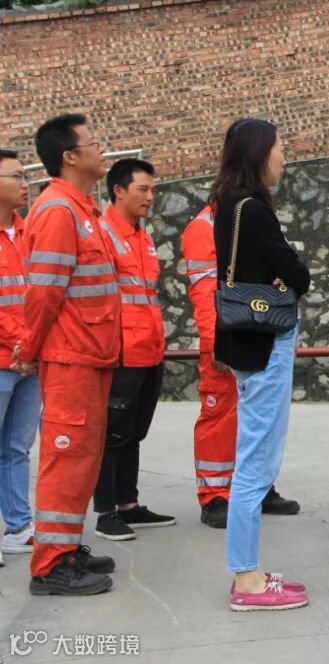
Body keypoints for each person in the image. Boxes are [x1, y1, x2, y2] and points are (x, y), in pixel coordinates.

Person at [17, 114, 121, 595]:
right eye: (94, 143)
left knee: (81, 459)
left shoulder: (82, 210)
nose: (103, 151)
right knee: (65, 458)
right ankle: (50, 566)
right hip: (71, 358)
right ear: (70, 157)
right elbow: (43, 293)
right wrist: (30, 347)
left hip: (90, 357)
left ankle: (66, 546)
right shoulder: (58, 211)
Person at [211, 118, 311, 612]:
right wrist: (287, 273)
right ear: (258, 154)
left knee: (254, 458)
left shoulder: (228, 207)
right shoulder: (253, 211)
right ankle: (246, 580)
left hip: (245, 344)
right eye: (279, 148)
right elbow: (298, 275)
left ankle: (248, 571)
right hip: (265, 345)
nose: (284, 158)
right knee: (255, 464)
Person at [183, 205, 300, 529]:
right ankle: (215, 496)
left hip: (255, 332)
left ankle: (257, 485)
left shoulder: (248, 217)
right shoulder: (205, 227)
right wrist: (215, 341)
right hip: (230, 335)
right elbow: (205, 290)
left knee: (260, 416)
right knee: (220, 415)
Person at [90, 159, 174, 541]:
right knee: (113, 432)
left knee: (135, 430)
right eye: (143, 189)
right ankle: (106, 511)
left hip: (149, 349)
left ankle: (128, 504)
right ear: (119, 191)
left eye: (153, 190)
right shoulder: (103, 234)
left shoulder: (142, 235)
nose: (150, 197)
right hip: (121, 351)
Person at [0, 149, 39, 567]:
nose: (25, 184)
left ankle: (18, 527)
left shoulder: (30, 233)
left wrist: (32, 345)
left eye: (25, 176)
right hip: (6, 359)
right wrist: (19, 344)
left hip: (29, 360)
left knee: (17, 446)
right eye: (16, 176)